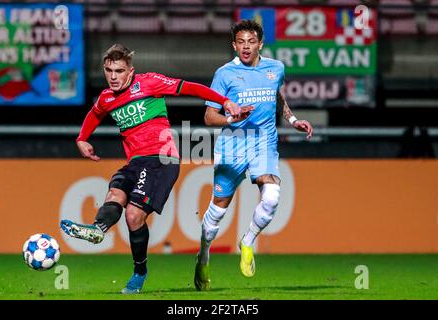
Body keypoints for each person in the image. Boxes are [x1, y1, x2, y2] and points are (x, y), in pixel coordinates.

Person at [60, 44, 252, 294]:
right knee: (114, 195)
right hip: (135, 163)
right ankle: (98, 230)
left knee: (133, 215)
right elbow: (95, 113)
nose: (113, 76)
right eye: (108, 70)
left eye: (119, 70)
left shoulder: (149, 82)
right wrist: (82, 138)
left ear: (131, 71)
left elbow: (190, 88)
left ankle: (139, 272)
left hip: (162, 160)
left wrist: (224, 101)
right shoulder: (107, 97)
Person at [194, 20, 313, 291]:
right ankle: (203, 254)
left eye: (251, 41)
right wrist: (231, 117)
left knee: (271, 198)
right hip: (232, 145)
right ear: (234, 46)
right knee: (216, 215)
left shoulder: (276, 69)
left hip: (264, 143)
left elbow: (277, 97)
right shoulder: (224, 74)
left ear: (260, 44)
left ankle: (247, 241)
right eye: (240, 42)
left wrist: (293, 119)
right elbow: (209, 117)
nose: (245, 47)